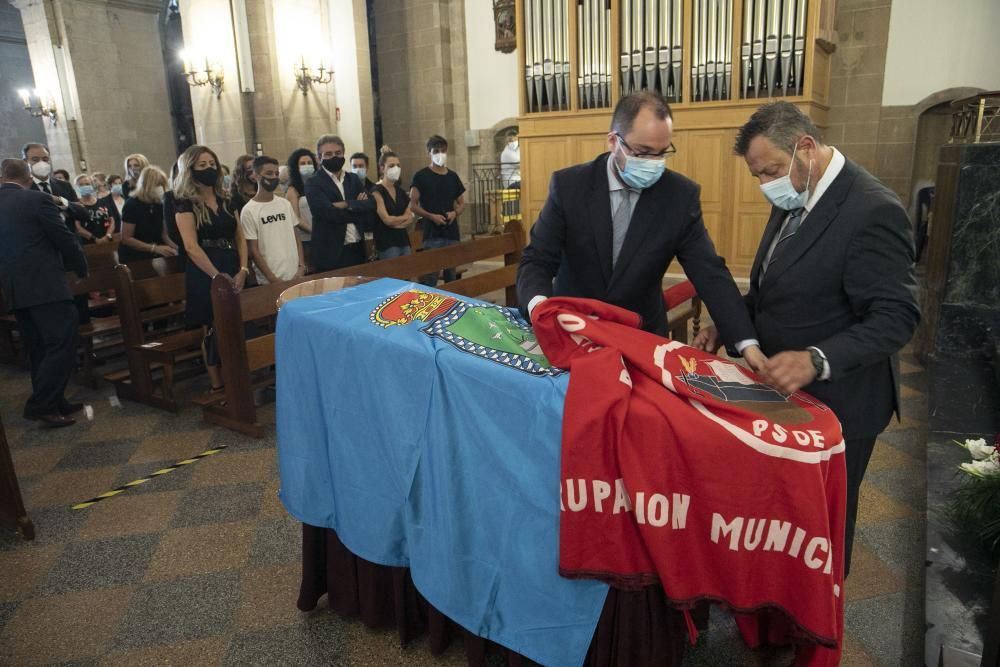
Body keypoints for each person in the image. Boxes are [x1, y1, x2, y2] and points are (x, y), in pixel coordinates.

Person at [692, 102, 920, 575]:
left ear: (806, 148)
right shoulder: (797, 193)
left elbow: (897, 316)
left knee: (825, 526)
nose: (764, 185)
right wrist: (728, 327)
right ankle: (780, 600)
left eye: (770, 171)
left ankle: (819, 623)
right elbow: (771, 287)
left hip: (843, 401)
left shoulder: (872, 209)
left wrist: (818, 359)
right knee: (785, 518)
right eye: (757, 175)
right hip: (786, 394)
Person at [517, 91, 763, 371]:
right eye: (643, 152)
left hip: (642, 339)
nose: (653, 163)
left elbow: (710, 273)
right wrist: (540, 308)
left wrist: (747, 344)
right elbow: (537, 259)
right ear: (613, 142)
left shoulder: (679, 197)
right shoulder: (570, 186)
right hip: (574, 333)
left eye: (661, 153)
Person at [0, 158, 87, 427]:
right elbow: (63, 238)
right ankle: (41, 404)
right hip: (45, 285)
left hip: (14, 287)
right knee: (63, 340)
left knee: (38, 347)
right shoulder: (35, 200)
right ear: (27, 177)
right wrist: (80, 268)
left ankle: (55, 400)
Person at [174, 144, 248, 393]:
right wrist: (217, 276)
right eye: (202, 165)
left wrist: (244, 269)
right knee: (211, 328)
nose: (209, 169)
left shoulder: (228, 199)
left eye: (212, 164)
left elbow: (240, 237)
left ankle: (238, 377)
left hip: (231, 262)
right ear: (190, 169)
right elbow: (191, 246)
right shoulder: (185, 204)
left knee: (237, 323)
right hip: (205, 270)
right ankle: (217, 384)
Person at [305, 134, 374, 271]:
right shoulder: (313, 183)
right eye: (328, 154)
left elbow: (371, 205)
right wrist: (357, 207)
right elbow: (327, 214)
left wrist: (346, 204)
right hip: (330, 252)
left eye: (338, 153)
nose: (334, 157)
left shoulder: (353, 179)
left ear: (343, 154)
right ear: (319, 158)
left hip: (357, 248)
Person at [409, 134, 466, 285]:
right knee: (430, 278)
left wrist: (455, 213)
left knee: (451, 278)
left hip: (451, 232)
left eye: (443, 150)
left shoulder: (452, 176)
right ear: (429, 153)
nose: (440, 154)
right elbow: (412, 205)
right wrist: (431, 216)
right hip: (432, 234)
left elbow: (461, 203)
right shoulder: (421, 176)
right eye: (436, 151)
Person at [239, 155, 304, 284]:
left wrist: (301, 266)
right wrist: (272, 278)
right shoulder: (249, 210)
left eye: (276, 173)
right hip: (269, 280)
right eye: (269, 173)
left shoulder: (284, 204)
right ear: (256, 175)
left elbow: (296, 236)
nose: (274, 177)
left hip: (295, 274)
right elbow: (254, 250)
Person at [22, 142, 88, 233]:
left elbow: (83, 214)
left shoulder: (64, 185)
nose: (41, 163)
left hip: (70, 240)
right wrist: (65, 210)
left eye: (45, 159)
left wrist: (60, 202)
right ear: (25, 162)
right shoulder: (23, 189)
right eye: (35, 160)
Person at [119, 165, 178, 263]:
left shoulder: (159, 203)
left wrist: (177, 248)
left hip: (157, 253)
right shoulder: (132, 205)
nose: (161, 189)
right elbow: (126, 238)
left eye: (163, 185)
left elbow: (164, 234)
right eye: (158, 185)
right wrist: (154, 248)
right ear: (147, 186)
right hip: (135, 256)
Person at [370, 151, 415, 259]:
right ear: (382, 168)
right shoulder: (377, 191)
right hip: (386, 242)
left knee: (408, 273)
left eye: (398, 166)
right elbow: (387, 220)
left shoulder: (401, 192)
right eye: (391, 166)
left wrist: (397, 222)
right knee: (393, 274)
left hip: (403, 240)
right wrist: (404, 218)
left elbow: (410, 218)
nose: (396, 169)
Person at [285, 148, 317, 261]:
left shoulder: (318, 185)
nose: (307, 165)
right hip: (306, 240)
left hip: (323, 236)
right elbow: (295, 218)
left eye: (309, 163)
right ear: (296, 167)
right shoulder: (293, 190)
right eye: (303, 163)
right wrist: (315, 231)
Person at [72, 173, 118, 242]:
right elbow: (78, 227)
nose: (85, 186)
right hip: (89, 244)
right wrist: (95, 239)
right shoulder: (77, 205)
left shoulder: (102, 201)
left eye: (87, 184)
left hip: (107, 240)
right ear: (76, 188)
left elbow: (112, 220)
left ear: (92, 185)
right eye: (81, 185)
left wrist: (108, 235)